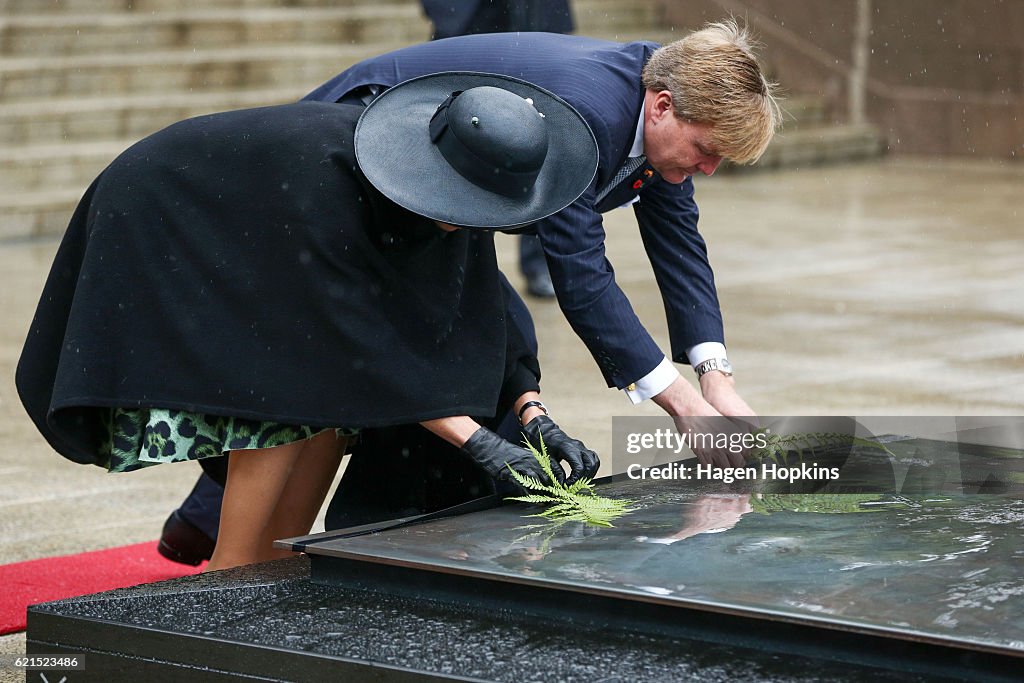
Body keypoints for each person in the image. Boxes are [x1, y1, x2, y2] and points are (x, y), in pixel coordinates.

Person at [16, 73, 601, 570]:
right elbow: (359, 344)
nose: (466, 225)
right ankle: (229, 576)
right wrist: (479, 441)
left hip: (264, 226)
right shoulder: (329, 190)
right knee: (287, 394)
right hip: (172, 213)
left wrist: (532, 415)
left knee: (330, 406)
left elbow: (489, 313)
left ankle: (280, 565)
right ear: (433, 171)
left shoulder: (461, 184)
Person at [304, 20, 783, 441]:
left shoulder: (669, 104)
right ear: (662, 107)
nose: (711, 168)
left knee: (499, 349)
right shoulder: (588, 115)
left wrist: (715, 379)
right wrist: (683, 404)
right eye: (707, 149)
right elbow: (580, 273)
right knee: (348, 365)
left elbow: (680, 247)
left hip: (433, 194)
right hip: (365, 147)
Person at [420, 0, 576, 299]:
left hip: (536, 22)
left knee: (534, 131)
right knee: (466, 133)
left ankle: (540, 261)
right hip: (470, 20)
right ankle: (458, 261)